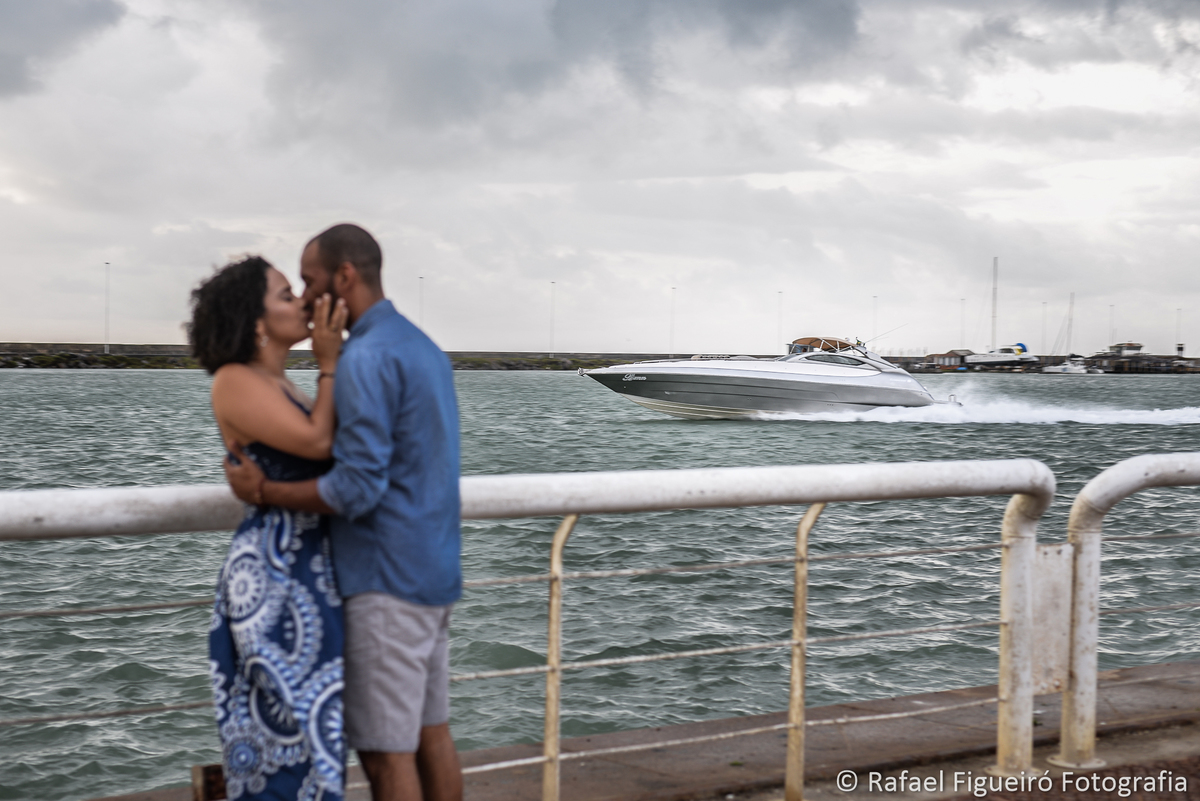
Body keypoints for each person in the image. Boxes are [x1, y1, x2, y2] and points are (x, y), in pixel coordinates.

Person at [223, 224, 464, 801]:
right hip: (434, 570)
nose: (305, 297)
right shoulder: (421, 347)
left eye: (309, 280)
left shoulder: (364, 358)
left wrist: (266, 493)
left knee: (385, 756)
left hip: (384, 580)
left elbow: (356, 488)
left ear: (345, 277)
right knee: (432, 736)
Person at [189, 255, 350, 800]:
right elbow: (318, 445)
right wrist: (329, 362)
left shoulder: (283, 383)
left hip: (309, 576)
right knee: (280, 742)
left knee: (316, 742)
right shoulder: (236, 380)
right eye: (286, 295)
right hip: (275, 581)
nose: (303, 303)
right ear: (255, 321)